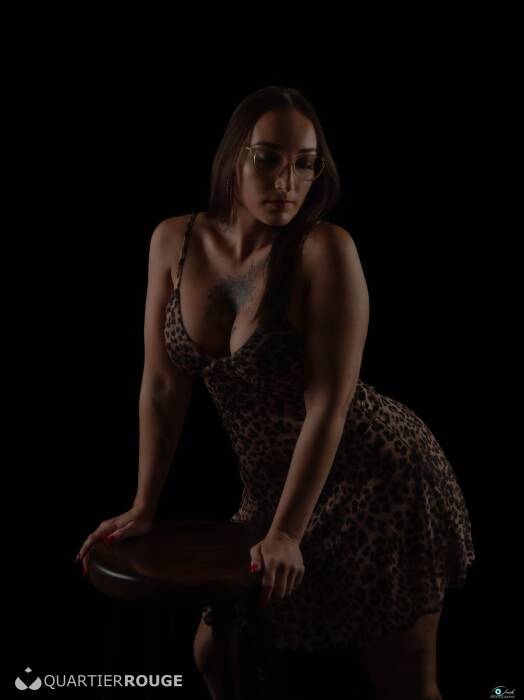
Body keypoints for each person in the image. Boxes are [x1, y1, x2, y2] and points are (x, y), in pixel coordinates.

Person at [76, 86, 475, 700]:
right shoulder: (173, 241)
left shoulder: (325, 250)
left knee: (404, 682)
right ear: (232, 157)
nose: (288, 182)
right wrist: (144, 503)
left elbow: (329, 406)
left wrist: (286, 531)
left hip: (377, 476)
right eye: (267, 158)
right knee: (218, 651)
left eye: (305, 164)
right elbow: (161, 385)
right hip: (270, 485)